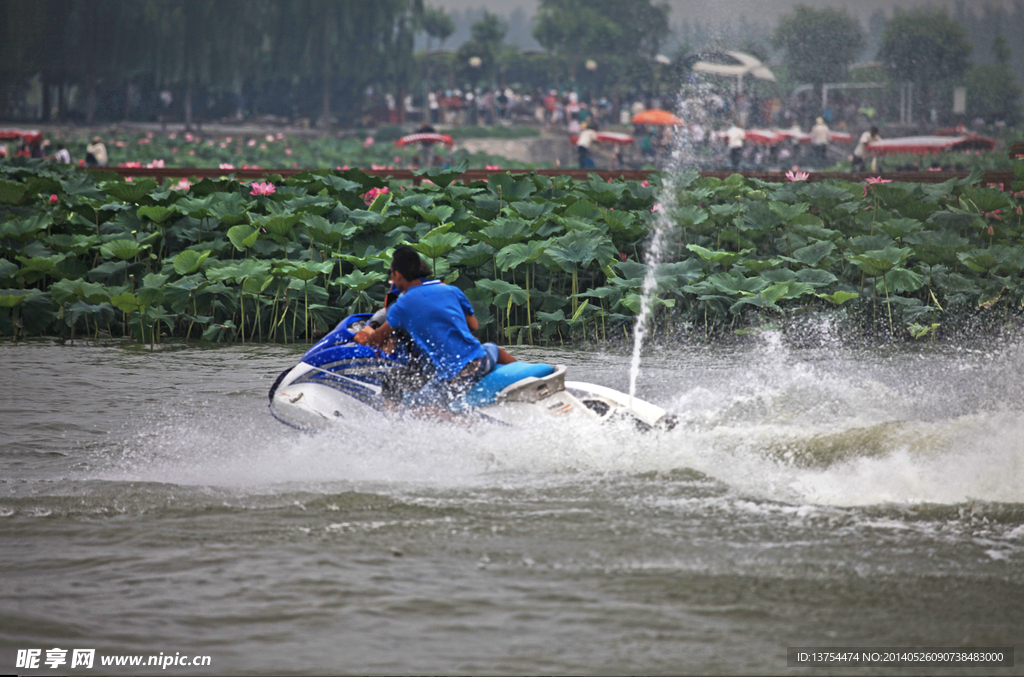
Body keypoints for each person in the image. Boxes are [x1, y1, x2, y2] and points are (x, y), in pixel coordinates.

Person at [354, 246, 514, 413]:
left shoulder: (402, 306)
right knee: (494, 348)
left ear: (398, 275)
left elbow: (379, 341)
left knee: (421, 408)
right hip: (480, 358)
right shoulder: (451, 290)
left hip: (455, 371)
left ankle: (470, 429)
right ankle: (526, 373)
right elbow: (473, 325)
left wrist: (367, 334)